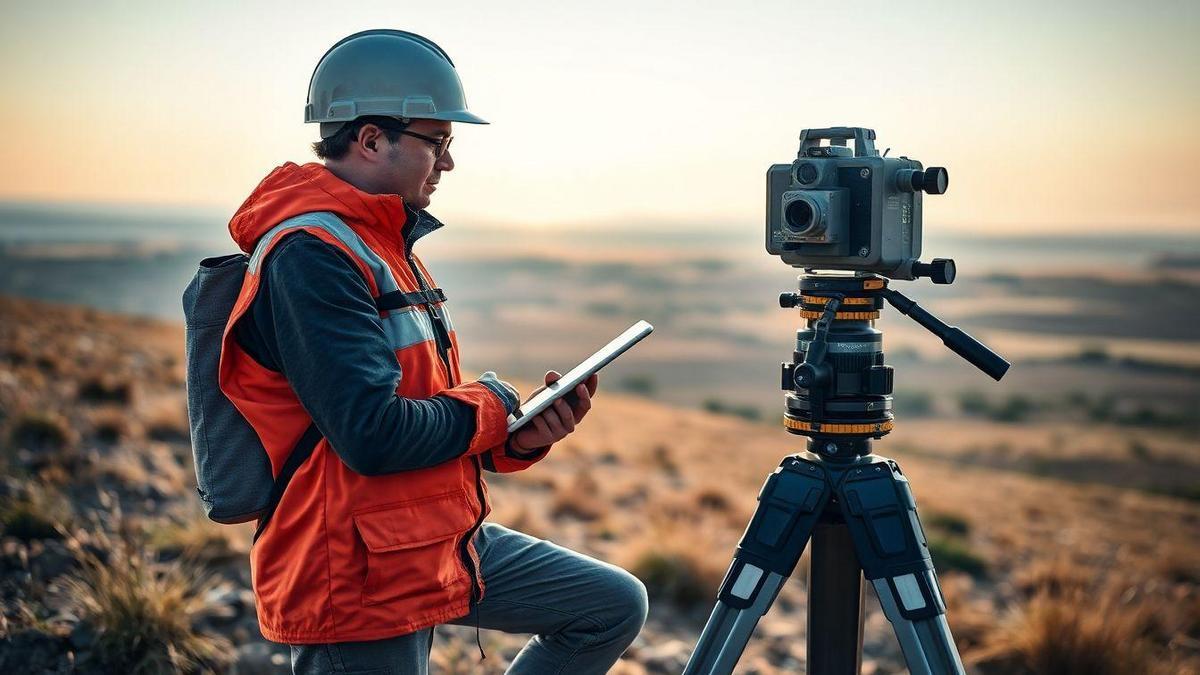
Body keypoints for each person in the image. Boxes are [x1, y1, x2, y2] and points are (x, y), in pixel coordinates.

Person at [217, 29, 648, 675]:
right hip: (355, 568)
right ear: (369, 139)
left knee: (610, 603)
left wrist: (519, 436)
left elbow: (419, 408)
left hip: (425, 537)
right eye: (438, 142)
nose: (447, 162)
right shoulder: (312, 255)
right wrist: (492, 406)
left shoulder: (385, 242)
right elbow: (373, 434)